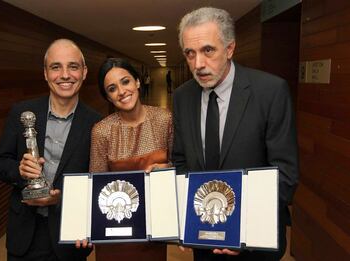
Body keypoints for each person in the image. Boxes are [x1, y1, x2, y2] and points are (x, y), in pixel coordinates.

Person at [172, 7, 299, 261]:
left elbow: (284, 173)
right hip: (203, 237)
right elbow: (181, 162)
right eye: (190, 53)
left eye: (208, 50)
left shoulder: (270, 91)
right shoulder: (182, 97)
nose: (198, 64)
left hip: (255, 242)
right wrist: (185, 219)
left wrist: (243, 230)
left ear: (230, 49)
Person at [0, 39, 101, 261]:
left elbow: (97, 183)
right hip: (24, 234)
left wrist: (61, 199)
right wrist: (20, 171)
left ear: (84, 72)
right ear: (45, 73)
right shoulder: (21, 113)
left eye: (73, 66)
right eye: (55, 67)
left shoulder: (97, 124)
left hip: (69, 238)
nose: (65, 75)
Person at [90, 57, 173, 261]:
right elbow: (96, 184)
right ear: (108, 97)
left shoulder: (164, 119)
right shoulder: (102, 131)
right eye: (112, 88)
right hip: (115, 229)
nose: (121, 91)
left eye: (125, 81)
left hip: (154, 227)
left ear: (137, 82)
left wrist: (166, 167)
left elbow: (178, 168)